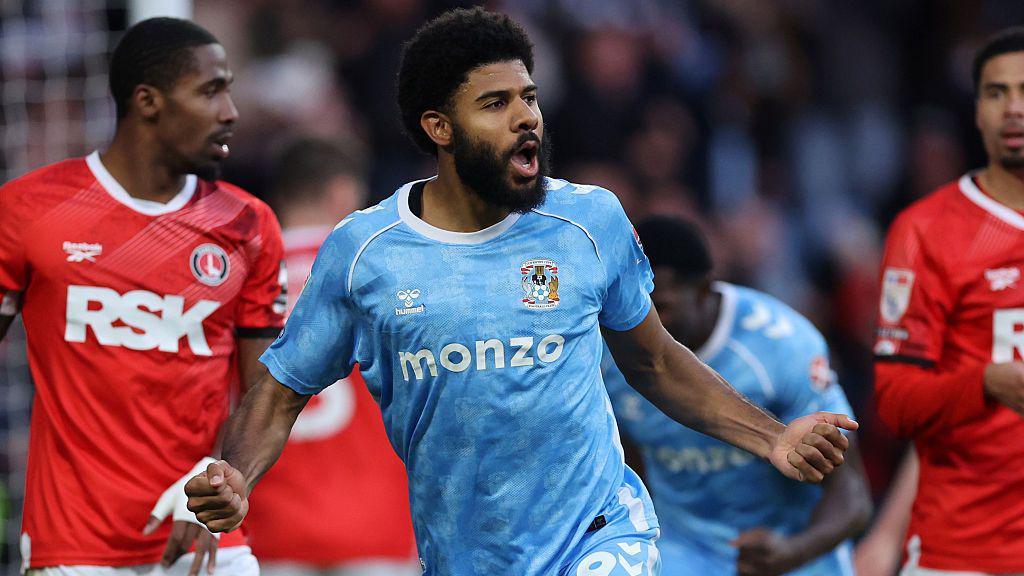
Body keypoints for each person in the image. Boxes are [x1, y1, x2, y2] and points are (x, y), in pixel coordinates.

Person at [185, 8, 856, 576]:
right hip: (464, 553)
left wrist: (772, 439)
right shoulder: (364, 254)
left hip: (601, 536)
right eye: (496, 104)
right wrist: (238, 473)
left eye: (529, 98)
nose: (525, 118)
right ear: (438, 127)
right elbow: (279, 392)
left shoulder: (589, 222)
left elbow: (653, 360)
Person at [0, 17, 284, 575]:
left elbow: (264, 396)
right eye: (210, 90)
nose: (230, 110)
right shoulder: (29, 211)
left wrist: (222, 485)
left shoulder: (247, 225)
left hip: (206, 538)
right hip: (75, 544)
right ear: (148, 101)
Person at [602, 217, 872, 576]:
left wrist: (793, 551)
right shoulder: (610, 348)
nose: (642, 320)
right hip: (683, 555)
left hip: (794, 554)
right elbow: (629, 466)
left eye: (659, 306)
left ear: (703, 290)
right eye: (632, 303)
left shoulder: (782, 346)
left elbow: (853, 495)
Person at [874, 26, 1024, 576]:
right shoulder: (926, 230)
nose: (1014, 109)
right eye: (996, 92)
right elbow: (895, 404)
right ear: (978, 111)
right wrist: (985, 383)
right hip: (965, 552)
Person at [243, 137, 419, 575]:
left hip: (270, 532)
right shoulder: (381, 270)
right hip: (375, 528)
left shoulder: (243, 278)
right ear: (342, 192)